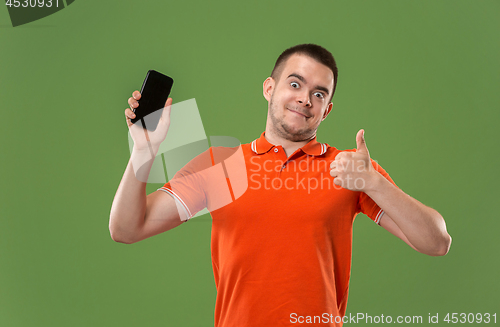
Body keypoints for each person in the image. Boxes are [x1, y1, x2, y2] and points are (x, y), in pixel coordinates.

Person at [109, 44, 452, 327]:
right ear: (269, 88)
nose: (305, 99)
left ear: (326, 110)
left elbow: (436, 242)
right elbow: (126, 228)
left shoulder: (351, 169)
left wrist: (375, 183)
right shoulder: (220, 164)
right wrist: (143, 152)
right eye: (295, 84)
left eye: (319, 94)